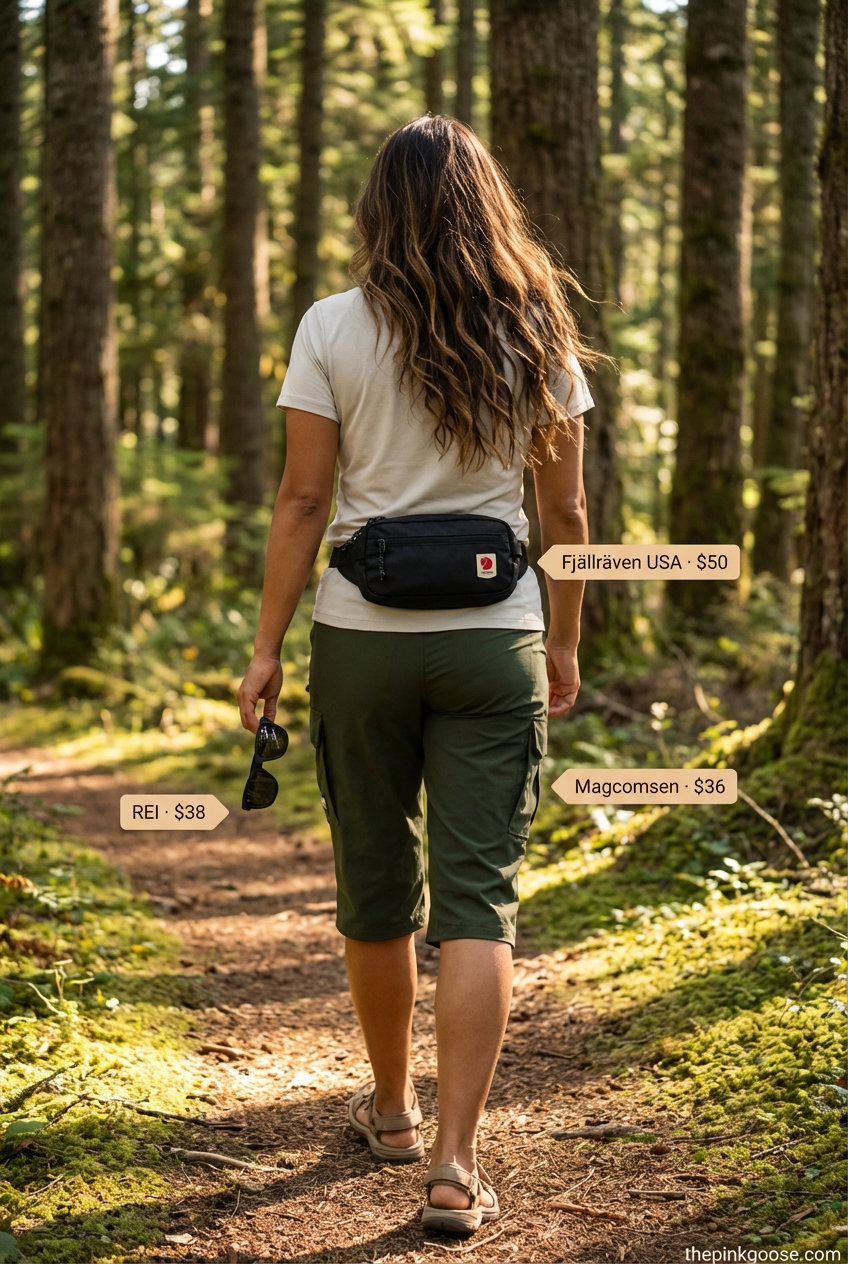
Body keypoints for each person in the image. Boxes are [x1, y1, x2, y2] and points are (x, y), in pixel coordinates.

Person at [237, 113, 596, 1236]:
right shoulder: (536, 328)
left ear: (376, 210)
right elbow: (566, 515)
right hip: (496, 637)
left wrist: (262, 650)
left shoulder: (331, 327)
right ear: (487, 203)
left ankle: (391, 1108)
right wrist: (566, 643)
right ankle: (452, 1163)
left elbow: (302, 501)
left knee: (377, 886)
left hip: (360, 636)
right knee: (477, 901)